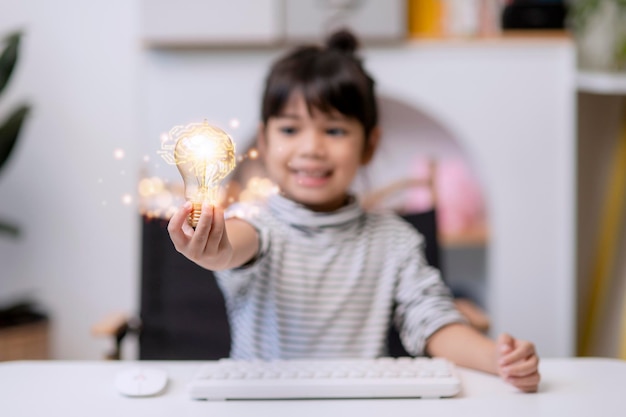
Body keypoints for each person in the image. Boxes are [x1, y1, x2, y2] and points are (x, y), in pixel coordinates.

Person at [167, 29, 540, 393]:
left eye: (334, 131)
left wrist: (497, 359)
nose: (311, 148)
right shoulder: (257, 224)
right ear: (264, 141)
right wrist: (214, 248)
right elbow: (236, 245)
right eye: (290, 129)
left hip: (361, 402)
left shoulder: (395, 240)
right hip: (261, 403)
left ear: (369, 145)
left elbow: (434, 324)